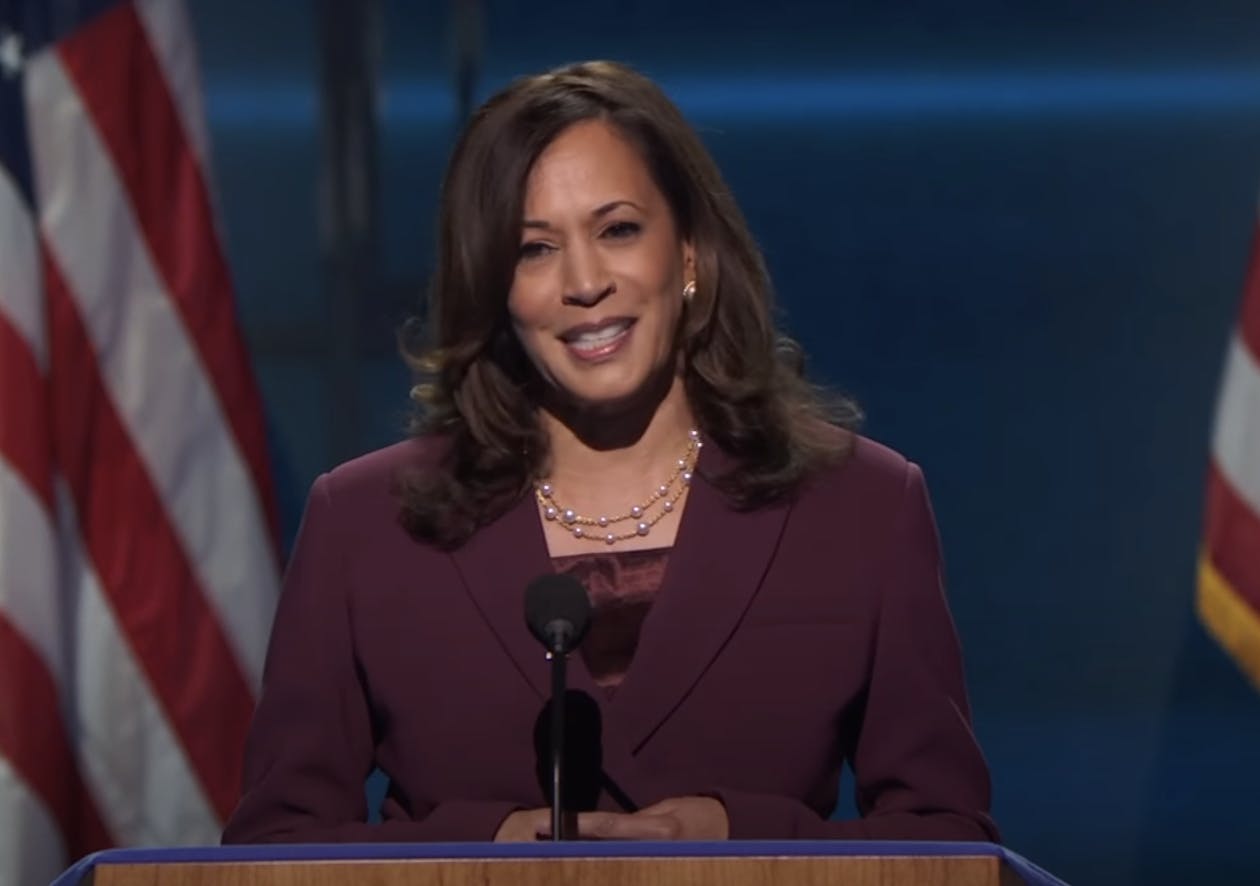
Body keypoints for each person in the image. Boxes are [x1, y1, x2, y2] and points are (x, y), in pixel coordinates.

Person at [222, 60, 999, 844]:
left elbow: (948, 841)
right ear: (494, 286)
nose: (585, 282)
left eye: (617, 230)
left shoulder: (861, 508)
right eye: (534, 249)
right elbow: (274, 845)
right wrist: (483, 851)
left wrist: (738, 838)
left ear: (689, 252)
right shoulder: (366, 526)